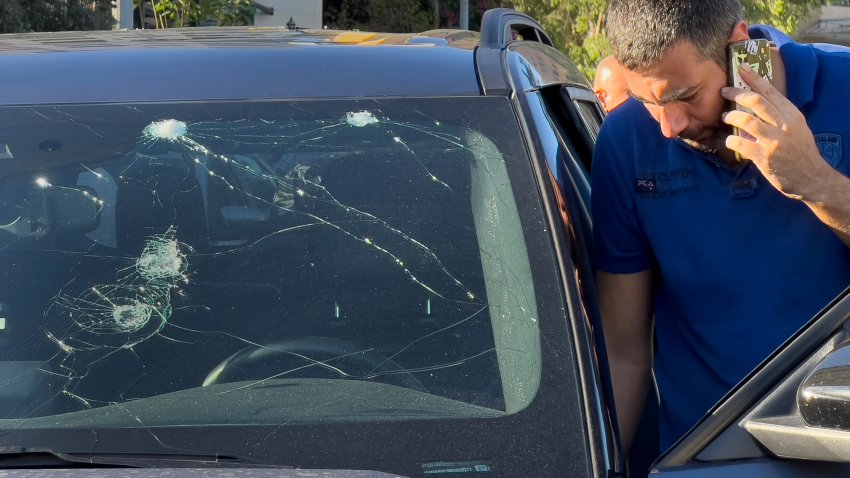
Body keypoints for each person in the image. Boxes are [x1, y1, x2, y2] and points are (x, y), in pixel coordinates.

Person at [592, 0, 850, 455]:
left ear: (739, 46)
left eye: (685, 96)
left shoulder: (844, 87)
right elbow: (624, 351)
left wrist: (816, 183)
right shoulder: (625, 140)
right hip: (702, 459)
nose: (668, 128)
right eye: (646, 102)